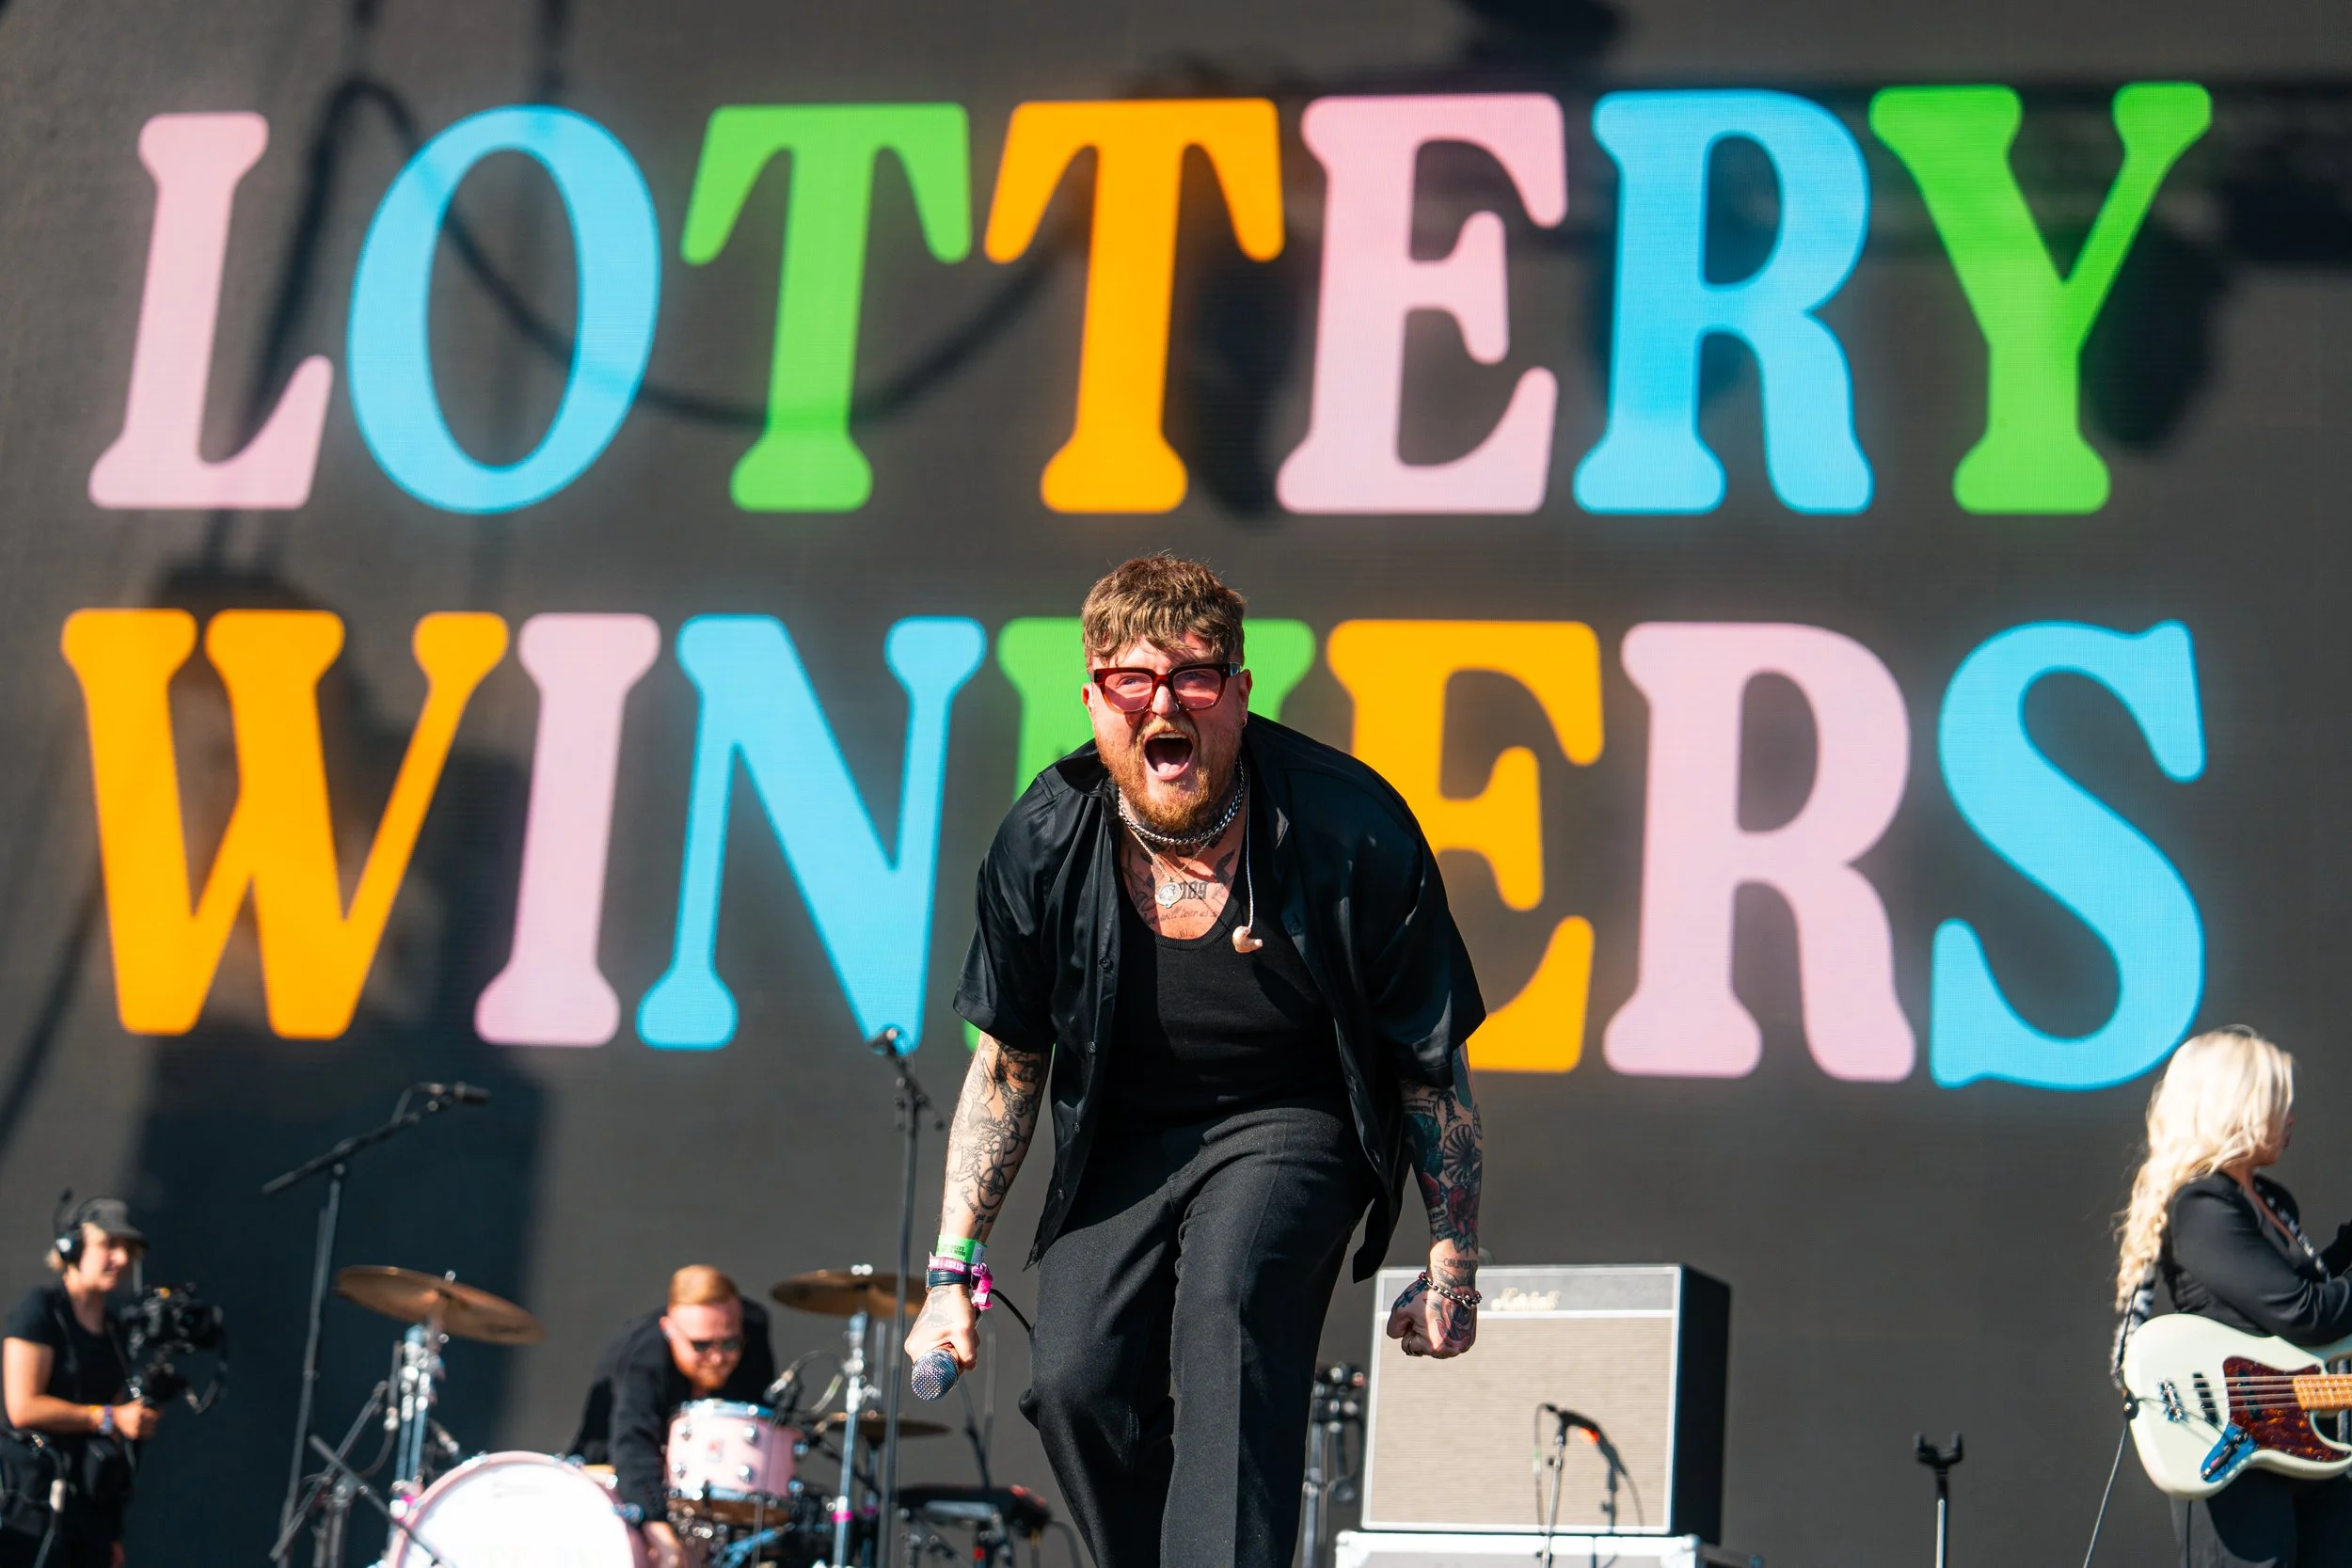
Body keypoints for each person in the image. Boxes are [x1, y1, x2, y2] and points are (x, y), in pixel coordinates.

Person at [906, 554, 1487, 1568]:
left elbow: (1428, 1067)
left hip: (1294, 1118)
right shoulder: (1044, 840)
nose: (1162, 704)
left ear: (1239, 693)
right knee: (1077, 1385)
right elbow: (1008, 1066)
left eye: (1194, 677)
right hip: (1128, 1135)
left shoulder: (1350, 827)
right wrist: (951, 1268)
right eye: (1132, 680)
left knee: (1231, 1306)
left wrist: (1451, 1259)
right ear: (1092, 699)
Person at [2115, 1025, 2352, 1567]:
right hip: (2233, 1447)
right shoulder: (2203, 1204)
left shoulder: (2270, 1197)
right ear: (2236, 1108)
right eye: (2278, 1103)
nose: (2290, 1118)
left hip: (2299, 1439)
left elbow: (2300, 1293)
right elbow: (2305, 1314)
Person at [570, 1266, 777, 1568]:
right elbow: (632, 1447)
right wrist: (658, 1531)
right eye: (701, 1345)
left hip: (689, 1495)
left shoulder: (753, 1331)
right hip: (615, 1484)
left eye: (730, 1343)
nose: (718, 1359)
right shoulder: (643, 1356)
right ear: (669, 1329)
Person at [0, 1199, 160, 1568]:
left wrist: (112, 1534)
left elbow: (116, 1435)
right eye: (109, 1245)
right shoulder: (40, 1310)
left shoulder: (115, 1331)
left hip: (89, 1512)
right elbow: (23, 1407)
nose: (121, 1259)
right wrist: (108, 1417)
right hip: (31, 1505)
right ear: (72, 1247)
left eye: (127, 1250)